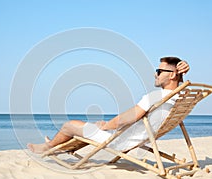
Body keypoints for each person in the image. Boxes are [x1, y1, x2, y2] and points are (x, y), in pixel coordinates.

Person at [28, 57, 190, 153]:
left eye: (159, 71)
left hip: (120, 142)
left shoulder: (156, 97)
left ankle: (48, 146)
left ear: (173, 75)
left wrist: (107, 126)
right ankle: (62, 146)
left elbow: (128, 117)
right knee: (89, 127)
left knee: (69, 125)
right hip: (136, 139)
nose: (155, 74)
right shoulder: (179, 97)